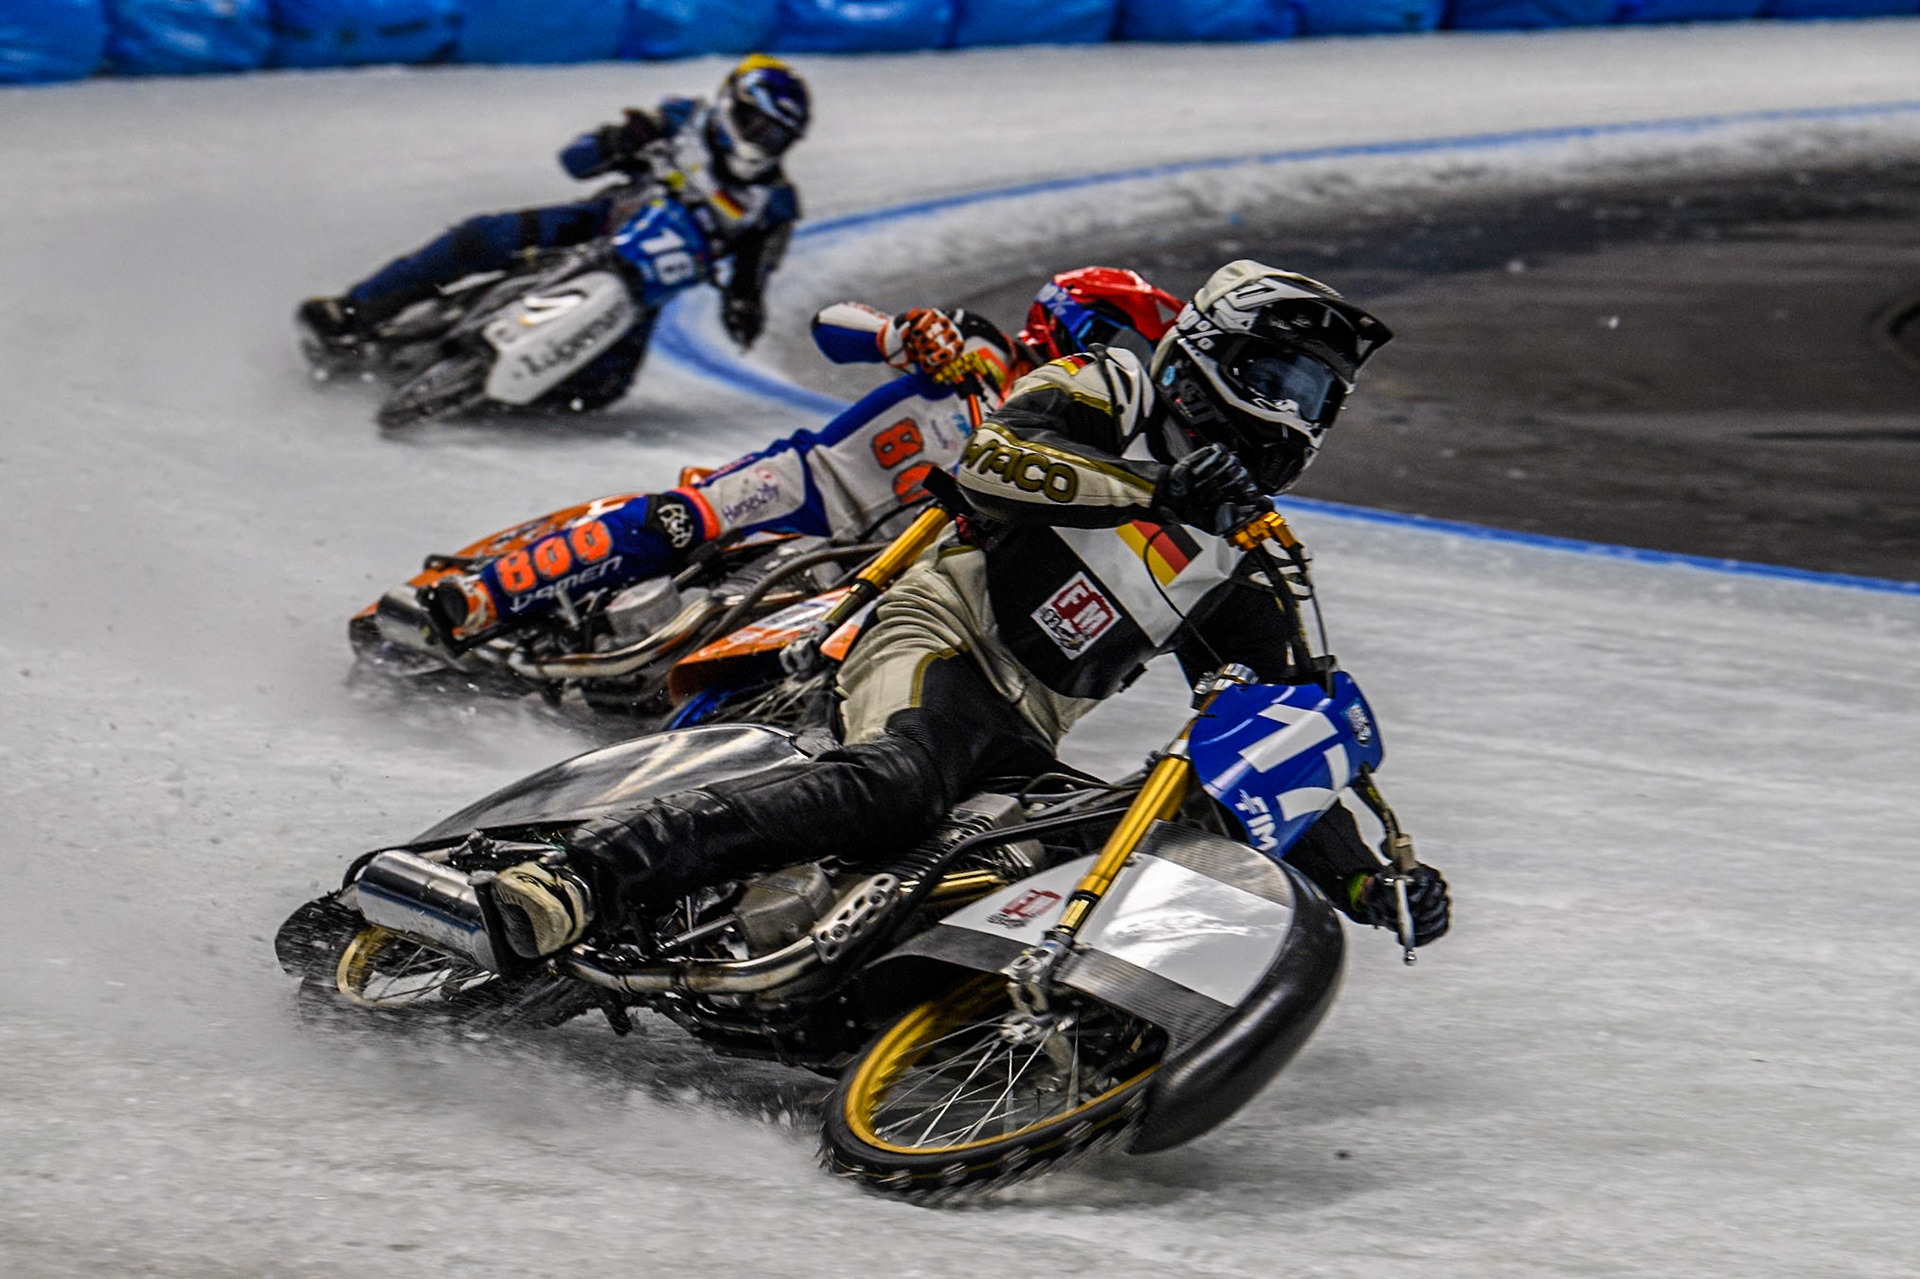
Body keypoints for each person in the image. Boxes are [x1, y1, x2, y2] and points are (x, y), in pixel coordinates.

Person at [478, 260, 1451, 963]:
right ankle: (590, 874)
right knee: (900, 784)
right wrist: (1152, 495)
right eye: (1280, 381)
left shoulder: (1246, 562)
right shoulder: (1111, 391)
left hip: (1021, 722)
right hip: (934, 628)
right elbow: (991, 462)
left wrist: (1367, 882)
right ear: (1209, 353)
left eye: (1319, 398)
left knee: (1097, 841)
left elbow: (1270, 731)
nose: (1295, 415)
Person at [421, 268, 1184, 651]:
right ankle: (485, 594)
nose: (1127, 372)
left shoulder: (1078, 454)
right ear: (1077, 330)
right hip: (811, 485)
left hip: (883, 566)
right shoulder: (978, 348)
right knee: (679, 521)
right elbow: (831, 324)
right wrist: (897, 336)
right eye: (1122, 348)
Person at [297, 55, 810, 397]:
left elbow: (753, 276)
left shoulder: (775, 203)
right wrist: (620, 140)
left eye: (775, 137)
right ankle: (354, 312)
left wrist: (743, 306)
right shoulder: (682, 119)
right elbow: (576, 160)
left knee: (602, 389)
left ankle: (488, 397)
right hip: (593, 226)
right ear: (730, 107)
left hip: (644, 295)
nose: (760, 143)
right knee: (483, 237)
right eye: (756, 126)